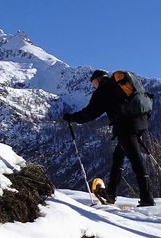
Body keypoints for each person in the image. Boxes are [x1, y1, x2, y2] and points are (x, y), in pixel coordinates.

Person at [64, 69, 154, 206]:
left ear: (98, 80)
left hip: (126, 127)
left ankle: (147, 198)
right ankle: (111, 193)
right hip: (141, 122)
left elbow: (91, 113)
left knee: (136, 161)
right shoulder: (118, 86)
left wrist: (73, 118)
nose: (94, 86)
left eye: (94, 83)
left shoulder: (103, 90)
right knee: (119, 156)